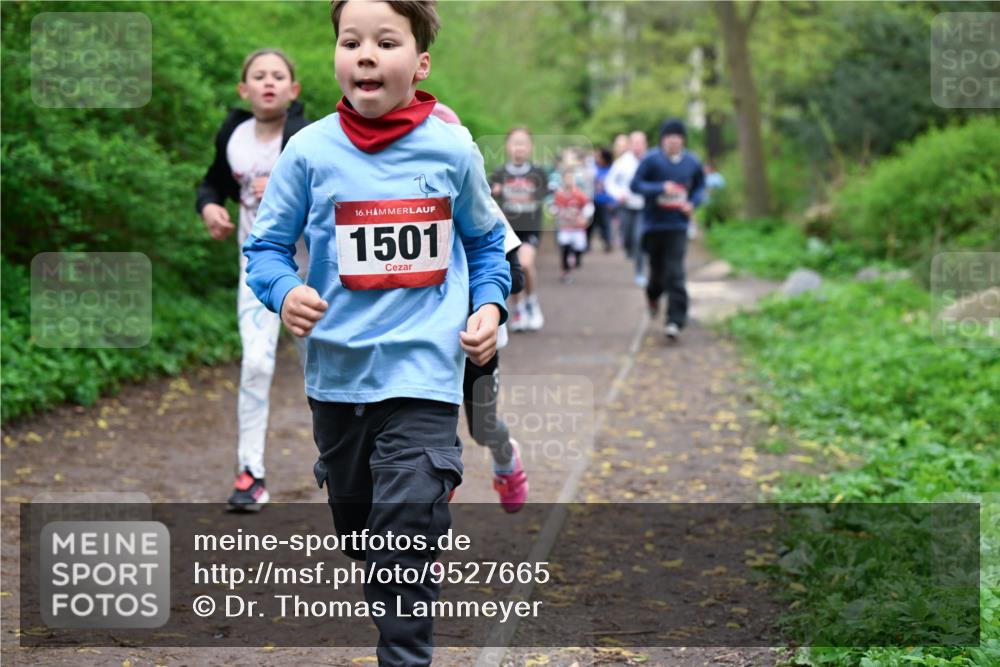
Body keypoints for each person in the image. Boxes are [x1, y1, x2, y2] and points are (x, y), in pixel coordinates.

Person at [242, 2, 511, 664]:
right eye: (350, 40)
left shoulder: (452, 149)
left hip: (424, 375)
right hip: (336, 380)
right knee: (366, 538)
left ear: (418, 64)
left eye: (385, 42)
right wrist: (286, 293)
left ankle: (406, 656)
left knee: (405, 531)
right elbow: (266, 249)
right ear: (335, 55)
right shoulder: (307, 152)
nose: (365, 53)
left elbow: (484, 242)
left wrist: (490, 309)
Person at [195, 48, 311, 512]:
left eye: (278, 75)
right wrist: (210, 208)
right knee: (257, 363)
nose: (268, 82)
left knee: (325, 372)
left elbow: (335, 201)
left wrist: (286, 188)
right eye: (258, 76)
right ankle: (250, 473)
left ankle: (348, 466)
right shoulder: (234, 134)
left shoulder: (308, 137)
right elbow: (212, 183)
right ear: (244, 90)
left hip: (311, 273)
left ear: (293, 89)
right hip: (257, 268)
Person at [433, 101, 530, 513]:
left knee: (482, 427)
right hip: (426, 339)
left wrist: (481, 303)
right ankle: (424, 537)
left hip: (478, 343)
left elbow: (516, 275)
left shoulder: (481, 205)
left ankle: (505, 456)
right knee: (428, 444)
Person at [630, 118, 705, 342]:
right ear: (663, 139)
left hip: (678, 225)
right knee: (658, 275)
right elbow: (635, 185)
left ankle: (675, 320)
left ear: (682, 139)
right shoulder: (652, 160)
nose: (673, 140)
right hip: (654, 225)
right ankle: (653, 296)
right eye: (669, 136)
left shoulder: (692, 162)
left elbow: (701, 187)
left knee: (676, 273)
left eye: (677, 136)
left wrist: (693, 202)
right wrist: (659, 188)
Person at [490, 127, 549, 332]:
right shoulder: (500, 173)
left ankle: (532, 302)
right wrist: (494, 190)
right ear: (507, 146)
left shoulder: (538, 173)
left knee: (525, 263)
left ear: (530, 147)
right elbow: (487, 193)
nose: (519, 148)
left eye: (523, 143)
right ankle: (519, 309)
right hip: (508, 229)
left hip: (530, 227)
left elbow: (540, 194)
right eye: (515, 143)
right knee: (512, 269)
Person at [606, 130, 648, 287]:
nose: (638, 146)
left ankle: (640, 271)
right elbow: (609, 182)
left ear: (645, 144)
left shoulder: (650, 160)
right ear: (630, 145)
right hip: (626, 206)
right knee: (628, 239)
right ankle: (630, 251)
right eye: (635, 143)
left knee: (639, 239)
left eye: (640, 142)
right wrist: (619, 194)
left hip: (643, 207)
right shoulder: (622, 162)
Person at [551, 169, 592, 284]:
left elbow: (588, 208)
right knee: (565, 247)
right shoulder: (559, 195)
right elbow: (554, 208)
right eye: (566, 179)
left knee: (579, 247)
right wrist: (556, 213)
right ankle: (566, 272)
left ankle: (575, 257)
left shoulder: (579, 194)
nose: (568, 181)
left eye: (570, 179)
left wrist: (584, 218)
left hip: (577, 228)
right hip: (565, 227)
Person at [591, 147, 615, 252]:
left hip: (605, 201)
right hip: (594, 200)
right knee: (591, 224)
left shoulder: (612, 170)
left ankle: (608, 243)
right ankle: (586, 245)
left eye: (600, 157)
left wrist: (612, 202)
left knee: (605, 224)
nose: (598, 159)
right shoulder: (595, 168)